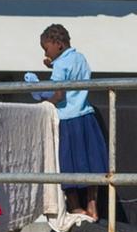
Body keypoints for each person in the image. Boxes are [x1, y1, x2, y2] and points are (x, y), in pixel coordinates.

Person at [27, 23, 107, 219]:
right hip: (86, 116)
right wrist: (53, 65)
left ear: (58, 44)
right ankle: (92, 205)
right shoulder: (80, 58)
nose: (46, 53)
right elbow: (71, 72)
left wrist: (45, 103)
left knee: (66, 164)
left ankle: (76, 207)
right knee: (91, 163)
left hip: (67, 121)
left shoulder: (61, 65)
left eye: (47, 49)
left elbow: (59, 94)